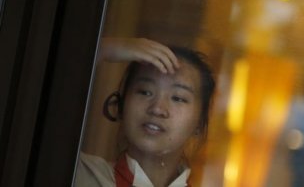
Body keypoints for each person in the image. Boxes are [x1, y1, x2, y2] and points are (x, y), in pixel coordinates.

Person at [74, 38, 216, 187]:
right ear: (121, 105)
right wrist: (108, 48)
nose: (157, 109)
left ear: (199, 123)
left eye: (178, 98)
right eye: (145, 92)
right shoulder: (79, 174)